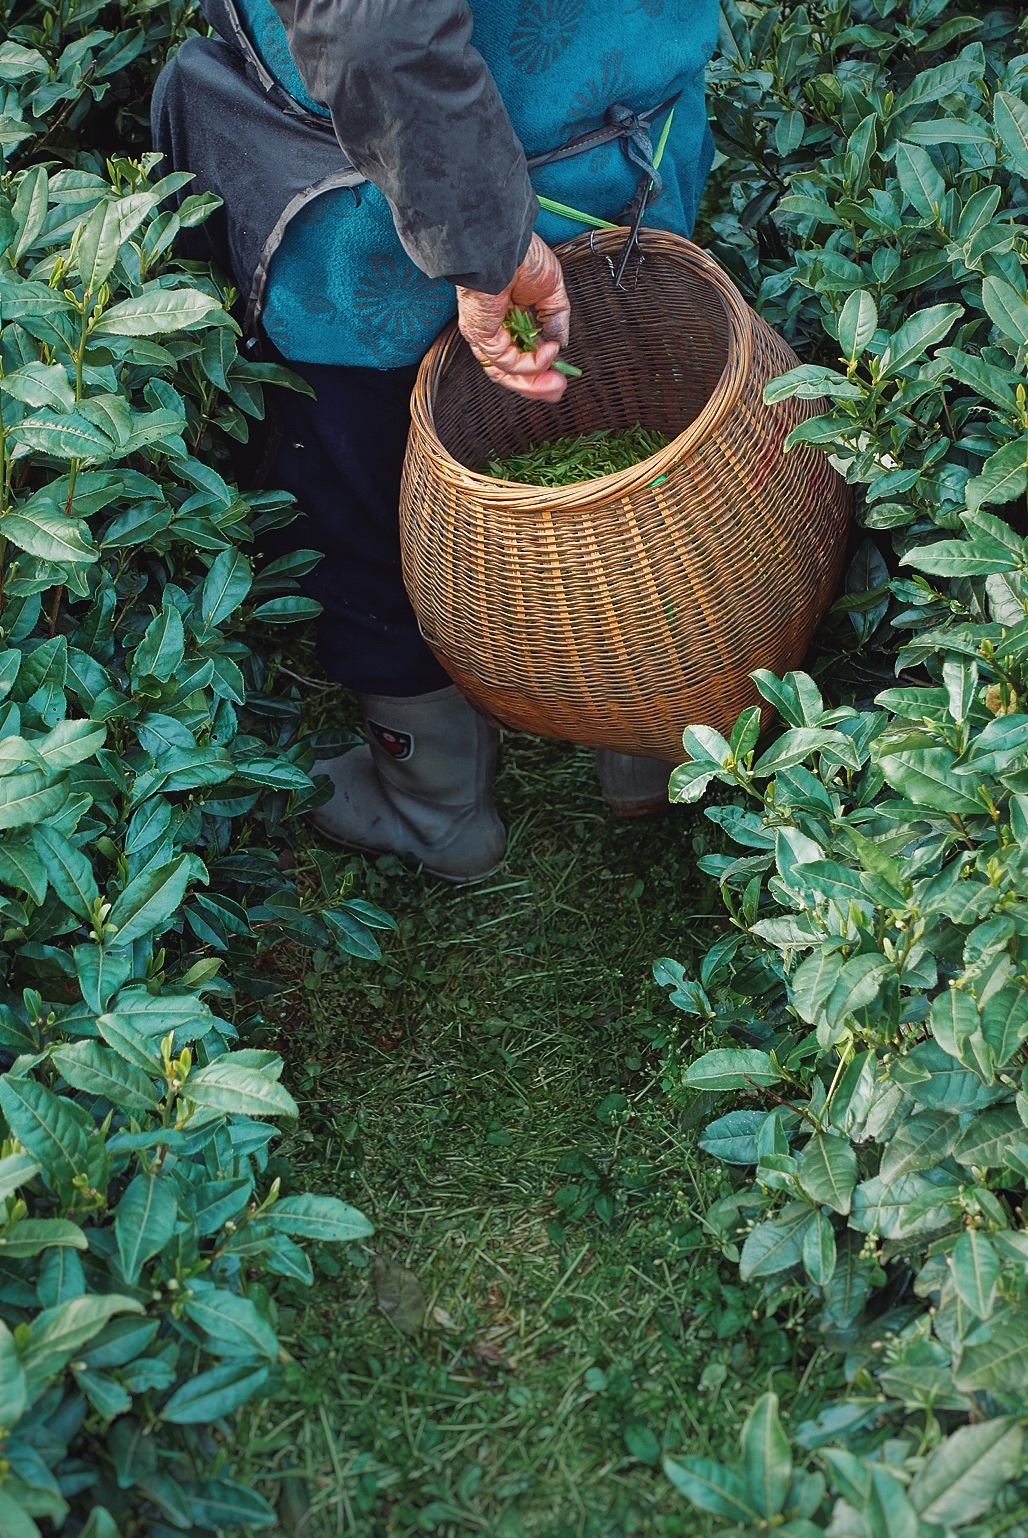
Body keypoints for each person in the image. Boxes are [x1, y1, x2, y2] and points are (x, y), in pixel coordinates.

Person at [152, 0, 720, 882]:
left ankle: (435, 805)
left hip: (391, 213)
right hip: (620, 147)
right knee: (634, 461)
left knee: (371, 511)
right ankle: (647, 742)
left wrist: (487, 247)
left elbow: (374, 28)